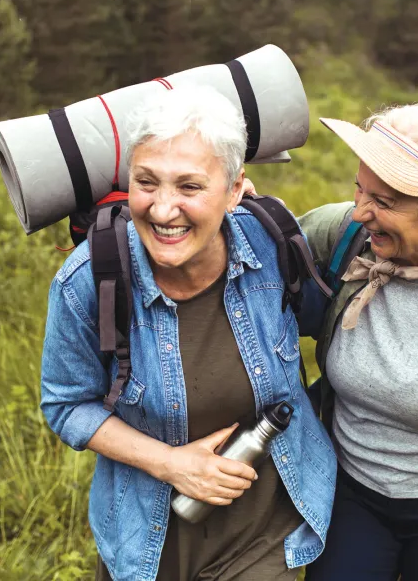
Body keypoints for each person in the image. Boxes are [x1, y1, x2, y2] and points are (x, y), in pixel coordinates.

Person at [40, 85, 336, 581]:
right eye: (147, 182)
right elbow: (66, 404)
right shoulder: (90, 279)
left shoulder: (273, 246)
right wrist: (171, 464)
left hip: (265, 535)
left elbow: (327, 330)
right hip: (144, 539)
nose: (161, 210)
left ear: (237, 189)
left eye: (190, 187)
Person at [294, 102, 418, 581]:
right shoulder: (342, 234)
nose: (362, 211)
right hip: (349, 491)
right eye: (360, 189)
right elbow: (240, 262)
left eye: (385, 202)